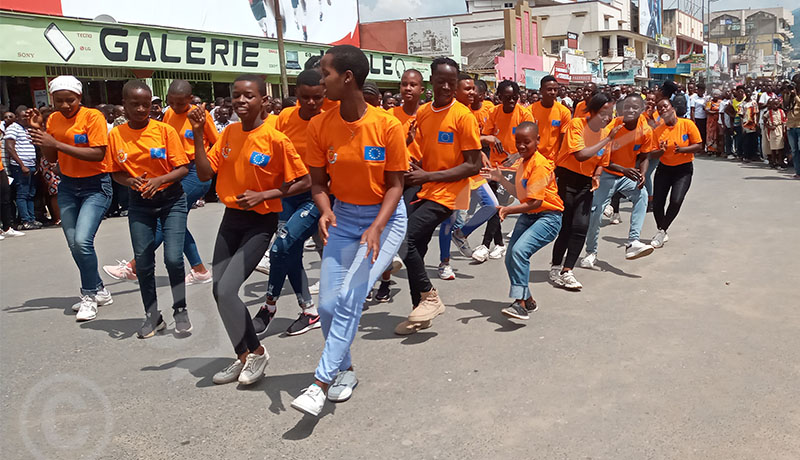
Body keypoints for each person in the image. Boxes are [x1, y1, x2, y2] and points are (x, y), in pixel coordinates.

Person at [289, 46, 408, 416]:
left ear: (347, 77)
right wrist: (324, 211)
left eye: (325, 73)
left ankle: (320, 383)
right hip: (342, 219)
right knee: (326, 305)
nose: (320, 80)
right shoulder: (320, 125)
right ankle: (346, 371)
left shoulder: (387, 125)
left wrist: (375, 226)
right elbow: (319, 184)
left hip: (384, 220)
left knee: (350, 299)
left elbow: (395, 186)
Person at [190, 74, 310, 386]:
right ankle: (245, 356)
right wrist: (197, 132)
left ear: (263, 101)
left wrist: (266, 194)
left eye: (248, 96)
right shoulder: (228, 133)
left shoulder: (275, 138)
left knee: (228, 289)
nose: (241, 101)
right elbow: (205, 173)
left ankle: (256, 351)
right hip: (231, 219)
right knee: (219, 291)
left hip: (260, 222)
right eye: (236, 96)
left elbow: (304, 180)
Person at [103, 81, 220, 285]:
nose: (175, 107)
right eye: (171, 102)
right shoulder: (168, 115)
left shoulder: (200, 115)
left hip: (193, 171)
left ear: (190, 100)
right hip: (172, 169)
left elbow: (217, 142)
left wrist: (205, 162)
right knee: (174, 222)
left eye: (180, 103)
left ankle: (135, 265)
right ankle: (199, 269)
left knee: (170, 220)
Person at [396, 57, 481, 335]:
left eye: (452, 82)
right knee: (415, 249)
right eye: (441, 81)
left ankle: (430, 295)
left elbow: (473, 165)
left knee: (404, 238)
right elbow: (421, 152)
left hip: (449, 195)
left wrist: (428, 176)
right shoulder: (423, 113)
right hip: (426, 189)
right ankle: (419, 312)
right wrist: (414, 165)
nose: (446, 86)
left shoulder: (463, 116)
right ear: (431, 81)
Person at [25, 76, 114, 320]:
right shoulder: (53, 119)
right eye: (59, 101)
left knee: (83, 240)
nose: (65, 105)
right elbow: (52, 157)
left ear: (80, 98)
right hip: (68, 186)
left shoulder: (93, 117)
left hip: (96, 185)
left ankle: (88, 296)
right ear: (52, 100)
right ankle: (100, 289)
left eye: (70, 100)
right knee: (73, 243)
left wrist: (57, 143)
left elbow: (97, 154)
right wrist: (38, 131)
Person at [108, 80, 191, 338]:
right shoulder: (116, 135)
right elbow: (116, 172)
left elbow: (183, 168)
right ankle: (153, 316)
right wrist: (130, 181)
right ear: (124, 106)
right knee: (143, 263)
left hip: (171, 201)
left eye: (146, 104)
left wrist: (160, 180)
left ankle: (180, 308)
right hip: (140, 205)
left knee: (174, 258)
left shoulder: (165, 131)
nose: (142, 109)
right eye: (135, 104)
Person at [250, 69, 325, 337]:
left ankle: (269, 306)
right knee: (289, 251)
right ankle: (308, 310)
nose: (312, 104)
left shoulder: (330, 121)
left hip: (318, 194)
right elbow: (271, 149)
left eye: (317, 97)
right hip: (288, 194)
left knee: (281, 246)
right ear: (296, 94)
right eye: (305, 97)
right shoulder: (285, 118)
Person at [484, 122, 562, 320]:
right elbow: (520, 194)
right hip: (529, 215)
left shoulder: (541, 165)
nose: (521, 146)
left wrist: (509, 210)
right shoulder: (522, 163)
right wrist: (500, 179)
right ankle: (527, 299)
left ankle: (519, 304)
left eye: (526, 142)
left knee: (520, 252)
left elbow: (535, 202)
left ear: (537, 141)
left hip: (548, 217)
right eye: (518, 142)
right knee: (511, 257)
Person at [550, 93, 617, 291]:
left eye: (611, 113)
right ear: (594, 112)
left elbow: (602, 162)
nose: (608, 117)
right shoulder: (576, 125)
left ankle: (567, 270)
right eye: (604, 113)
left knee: (581, 226)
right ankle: (555, 266)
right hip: (566, 179)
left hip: (585, 183)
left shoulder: (606, 134)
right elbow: (580, 155)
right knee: (566, 226)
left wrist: (596, 175)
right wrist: (607, 140)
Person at [580, 93, 655, 269]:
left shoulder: (645, 131)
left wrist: (643, 174)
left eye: (635, 107)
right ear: (621, 108)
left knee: (642, 195)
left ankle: (633, 243)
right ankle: (591, 252)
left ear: (642, 110)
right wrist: (623, 170)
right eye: (627, 106)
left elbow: (645, 156)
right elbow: (602, 158)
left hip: (626, 176)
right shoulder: (612, 126)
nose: (630, 110)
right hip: (606, 174)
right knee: (596, 213)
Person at [436, 74, 498, 279]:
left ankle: (461, 233)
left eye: (473, 88)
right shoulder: (447, 113)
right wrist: (484, 139)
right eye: (467, 89)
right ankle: (444, 263)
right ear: (455, 91)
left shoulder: (469, 113)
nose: (472, 92)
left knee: (492, 204)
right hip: (454, 172)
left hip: (472, 171)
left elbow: (468, 140)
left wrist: (479, 152)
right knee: (449, 218)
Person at [475, 80, 534, 263]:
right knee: (491, 205)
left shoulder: (525, 114)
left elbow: (532, 143)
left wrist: (517, 155)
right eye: (507, 98)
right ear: (499, 97)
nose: (511, 101)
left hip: (515, 168)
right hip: (494, 166)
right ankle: (499, 244)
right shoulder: (493, 112)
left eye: (514, 97)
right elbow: (481, 138)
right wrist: (490, 138)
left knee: (496, 205)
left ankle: (485, 245)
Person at [649, 99, 703, 248]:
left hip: (683, 169)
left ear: (672, 107)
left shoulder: (687, 124)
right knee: (658, 203)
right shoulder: (658, 130)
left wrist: (682, 150)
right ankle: (662, 231)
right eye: (659, 108)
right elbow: (653, 153)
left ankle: (662, 231)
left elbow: (698, 145)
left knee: (676, 200)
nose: (662, 109)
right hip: (664, 169)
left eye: (665, 106)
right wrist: (661, 151)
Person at [4, 106, 40, 229]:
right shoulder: (13, 128)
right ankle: (25, 221)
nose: (26, 119)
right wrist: (22, 165)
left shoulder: (28, 128)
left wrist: (36, 164)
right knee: (22, 194)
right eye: (24, 117)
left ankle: (31, 218)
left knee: (30, 194)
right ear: (17, 117)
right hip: (21, 166)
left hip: (31, 165)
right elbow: (10, 148)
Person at [529, 75, 572, 161]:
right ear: (541, 90)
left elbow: (563, 139)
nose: (553, 92)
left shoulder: (564, 112)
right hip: (533, 158)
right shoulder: (530, 110)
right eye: (549, 89)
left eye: (555, 90)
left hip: (552, 161)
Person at [764, 97, 786, 169]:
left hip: (779, 129)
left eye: (776, 104)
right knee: (773, 148)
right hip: (772, 130)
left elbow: (784, 120)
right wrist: (769, 126)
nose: (775, 106)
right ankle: (773, 162)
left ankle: (780, 161)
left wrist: (784, 129)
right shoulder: (769, 112)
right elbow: (764, 119)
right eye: (773, 104)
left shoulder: (781, 111)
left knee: (780, 147)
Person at [784, 78, 800, 178]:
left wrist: (796, 97)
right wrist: (788, 94)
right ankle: (798, 172)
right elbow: (785, 106)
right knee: (794, 150)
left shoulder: (797, 97)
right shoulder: (790, 95)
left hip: (799, 125)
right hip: (790, 125)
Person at [690, 83, 707, 153]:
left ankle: (703, 147)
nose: (701, 91)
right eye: (700, 90)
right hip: (697, 117)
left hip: (704, 117)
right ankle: (698, 148)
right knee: (698, 134)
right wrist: (693, 119)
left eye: (702, 90)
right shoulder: (694, 99)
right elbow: (692, 110)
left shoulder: (705, 98)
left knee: (704, 133)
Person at [705, 90, 722, 157]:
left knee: (718, 135)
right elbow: (707, 110)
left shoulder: (721, 102)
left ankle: (718, 150)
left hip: (719, 120)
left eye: (717, 94)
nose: (715, 96)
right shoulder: (710, 102)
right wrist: (715, 112)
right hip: (711, 121)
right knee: (710, 135)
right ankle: (710, 149)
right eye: (714, 94)